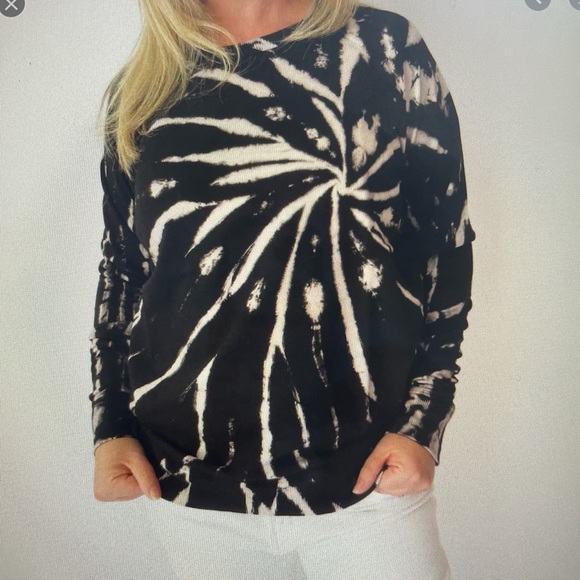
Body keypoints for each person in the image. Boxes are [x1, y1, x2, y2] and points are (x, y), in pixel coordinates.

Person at [89, 0, 475, 578]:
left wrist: (423, 423)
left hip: (368, 479)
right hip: (187, 484)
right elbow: (123, 271)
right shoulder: (145, 88)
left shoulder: (386, 48)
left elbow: (445, 247)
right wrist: (111, 426)